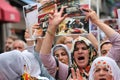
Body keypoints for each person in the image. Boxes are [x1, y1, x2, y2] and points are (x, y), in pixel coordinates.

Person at [39, 4, 120, 80]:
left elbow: (118, 42)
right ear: (72, 54)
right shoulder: (68, 72)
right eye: (76, 49)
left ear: (91, 52)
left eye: (84, 48)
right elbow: (45, 57)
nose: (80, 51)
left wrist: (97, 21)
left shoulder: (102, 64)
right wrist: (51, 28)